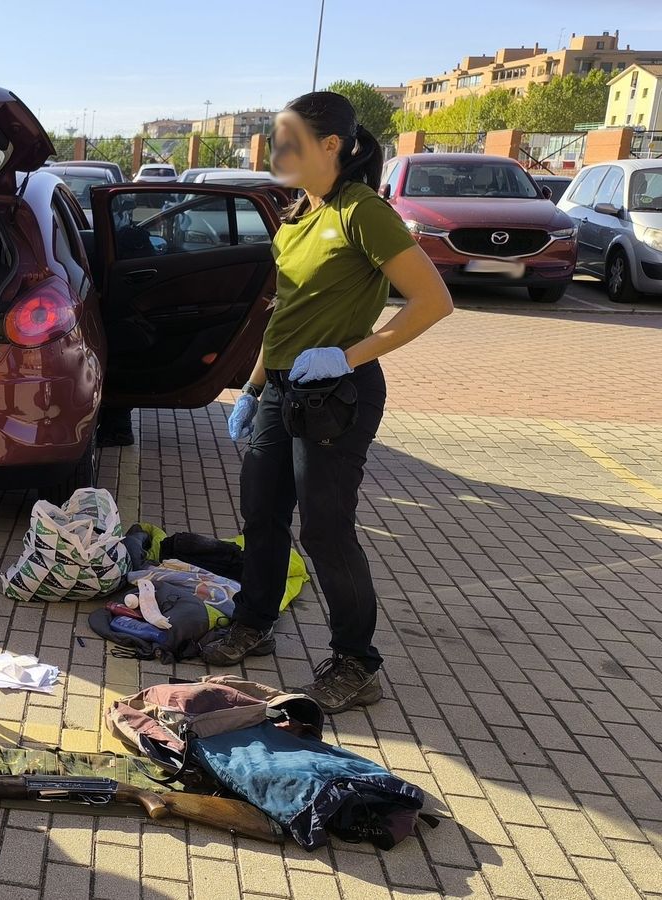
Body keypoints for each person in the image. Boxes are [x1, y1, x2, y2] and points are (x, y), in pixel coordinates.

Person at [199, 91, 453, 713]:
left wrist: (350, 355)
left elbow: (433, 300)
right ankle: (253, 622)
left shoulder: (361, 210)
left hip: (336, 392)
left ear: (331, 146)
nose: (278, 153)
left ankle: (356, 662)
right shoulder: (297, 216)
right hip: (280, 388)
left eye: (290, 141)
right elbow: (285, 314)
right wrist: (254, 385)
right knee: (260, 512)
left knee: (325, 528)